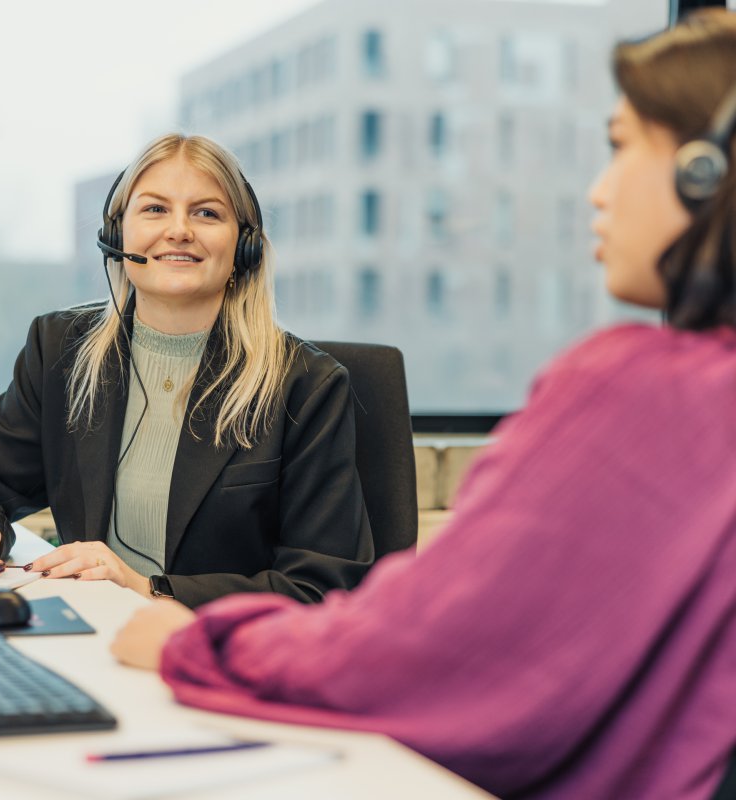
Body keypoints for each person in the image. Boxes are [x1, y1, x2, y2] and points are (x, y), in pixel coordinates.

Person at [111, 10, 736, 799]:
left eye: (620, 147)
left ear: (705, 172)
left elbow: (425, 649)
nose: (599, 192)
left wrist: (198, 641)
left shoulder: (647, 391)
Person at [0, 134, 374, 608]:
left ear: (244, 246)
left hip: (221, 650)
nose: (179, 230)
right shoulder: (60, 349)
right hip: (92, 633)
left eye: (207, 213)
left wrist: (147, 588)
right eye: (155, 210)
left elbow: (322, 585)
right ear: (116, 234)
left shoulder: (306, 385)